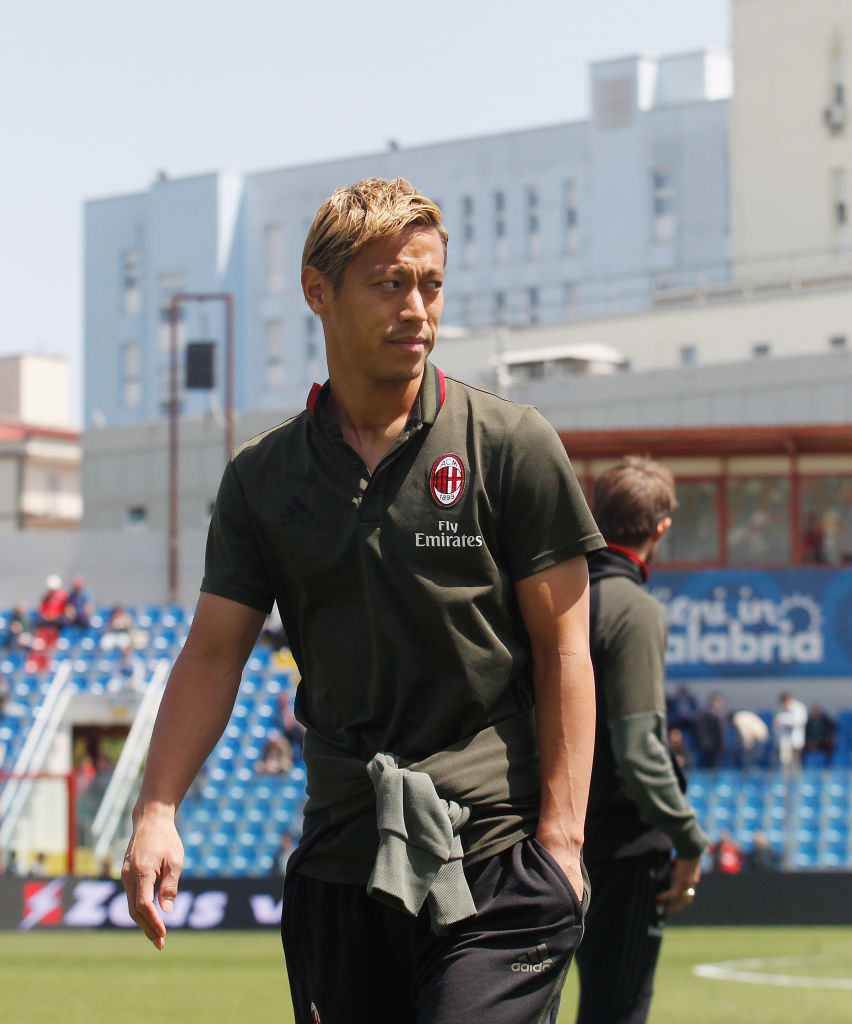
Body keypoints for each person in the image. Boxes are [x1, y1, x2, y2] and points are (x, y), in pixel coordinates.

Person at [121, 177, 605, 1023]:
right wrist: (157, 809)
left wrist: (561, 845)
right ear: (318, 290)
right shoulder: (261, 477)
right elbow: (213, 654)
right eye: (390, 284)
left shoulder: (510, 444)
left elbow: (566, 649)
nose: (417, 308)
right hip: (342, 857)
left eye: (431, 284)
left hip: (496, 858)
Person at [575, 456, 708, 1024]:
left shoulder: (554, 596)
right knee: (617, 1010)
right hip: (623, 849)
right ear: (662, 527)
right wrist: (689, 841)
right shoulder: (634, 610)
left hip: (544, 838)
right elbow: (638, 749)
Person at [773, 692, 808, 770]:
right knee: (785, 761)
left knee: (796, 761)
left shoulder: (799, 708)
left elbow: (800, 721)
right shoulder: (781, 710)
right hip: (784, 741)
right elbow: (777, 724)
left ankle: (797, 776)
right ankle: (786, 776)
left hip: (795, 740)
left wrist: (783, 720)